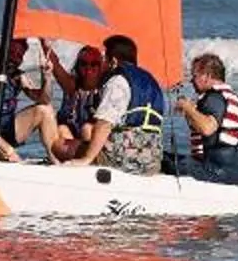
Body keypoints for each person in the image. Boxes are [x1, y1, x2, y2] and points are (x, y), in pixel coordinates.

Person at [66, 33, 167, 175]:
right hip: (152, 162)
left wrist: (86, 159)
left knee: (60, 146)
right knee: (88, 131)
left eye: (104, 59)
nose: (103, 64)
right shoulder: (151, 81)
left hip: (123, 160)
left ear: (113, 61)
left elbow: (104, 124)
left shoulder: (118, 81)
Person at [11, 42, 110, 160]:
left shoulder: (107, 88)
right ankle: (62, 165)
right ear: (78, 66)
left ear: (102, 67)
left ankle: (92, 161)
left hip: (93, 143)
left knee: (87, 129)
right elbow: (55, 64)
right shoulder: (71, 86)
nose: (88, 68)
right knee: (62, 130)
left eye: (94, 64)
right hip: (70, 143)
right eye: (84, 64)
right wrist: (44, 42)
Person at [169, 51, 238, 182]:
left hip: (216, 171)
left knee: (163, 159)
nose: (191, 80)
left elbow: (207, 128)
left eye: (194, 76)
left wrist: (187, 107)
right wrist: (190, 113)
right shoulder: (235, 99)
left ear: (206, 76)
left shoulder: (213, 97)